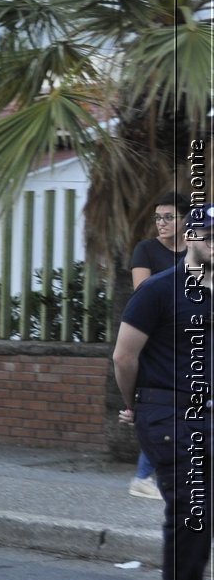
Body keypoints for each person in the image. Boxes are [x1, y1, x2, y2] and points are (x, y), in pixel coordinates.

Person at [113, 208, 214, 580]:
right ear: (190, 236)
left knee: (202, 517)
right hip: (167, 413)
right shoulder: (158, 290)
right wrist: (132, 404)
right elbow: (123, 356)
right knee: (192, 513)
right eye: (208, 233)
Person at [125, 191, 190, 500]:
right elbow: (144, 291)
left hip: (189, 340)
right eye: (157, 218)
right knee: (170, 407)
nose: (161, 223)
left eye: (168, 217)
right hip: (154, 341)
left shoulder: (195, 250)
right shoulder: (146, 250)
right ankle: (142, 476)